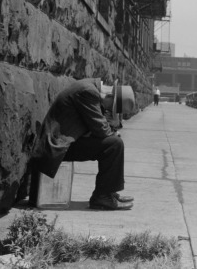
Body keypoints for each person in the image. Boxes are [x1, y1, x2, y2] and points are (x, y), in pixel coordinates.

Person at [30, 78, 133, 210]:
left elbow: (98, 126)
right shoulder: (88, 92)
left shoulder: (90, 86)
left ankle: (108, 193)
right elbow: (100, 129)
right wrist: (112, 130)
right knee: (114, 144)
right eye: (109, 107)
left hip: (65, 141)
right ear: (109, 96)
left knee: (113, 143)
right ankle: (103, 196)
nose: (106, 110)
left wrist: (111, 128)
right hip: (56, 146)